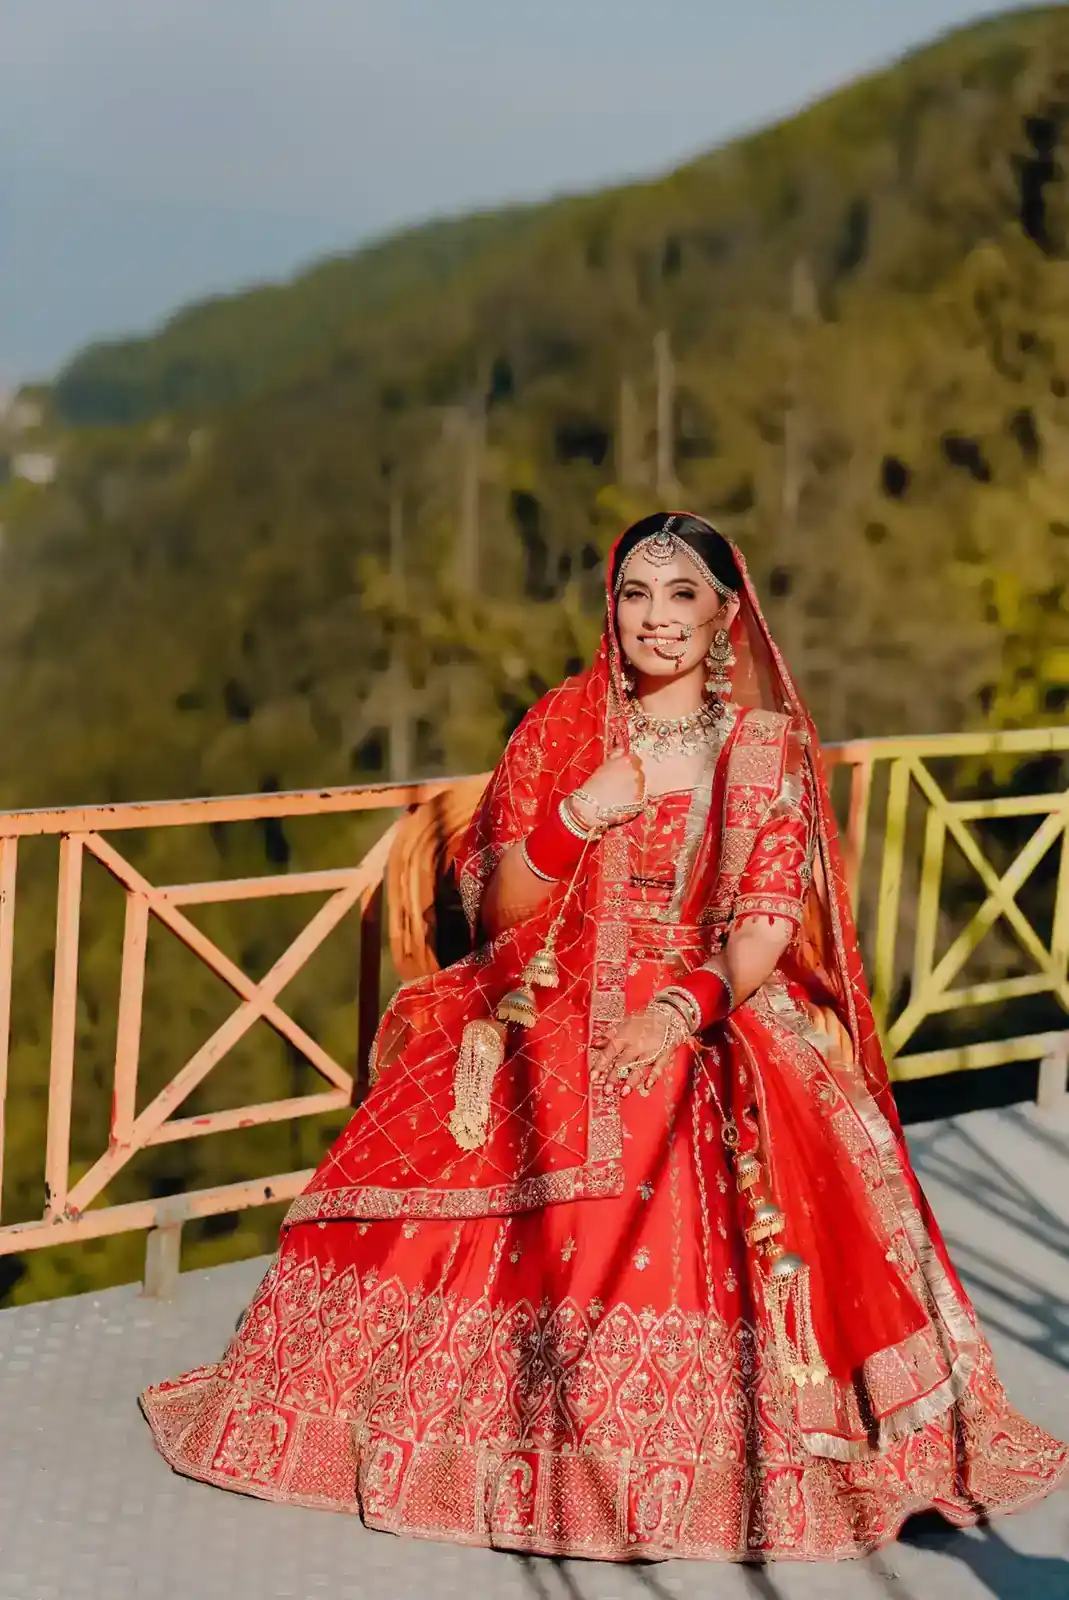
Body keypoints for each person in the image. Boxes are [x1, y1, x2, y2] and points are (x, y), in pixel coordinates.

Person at [141, 513, 1066, 1561]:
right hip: (552, 995)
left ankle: (683, 1450)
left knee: (665, 1121)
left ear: (724, 614)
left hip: (709, 1004)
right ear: (610, 608)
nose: (656, 619)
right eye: (635, 593)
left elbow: (764, 923)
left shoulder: (762, 752)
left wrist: (681, 1008)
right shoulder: (563, 728)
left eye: (682, 597)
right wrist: (578, 811)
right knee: (473, 1115)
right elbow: (497, 910)